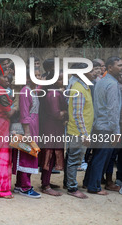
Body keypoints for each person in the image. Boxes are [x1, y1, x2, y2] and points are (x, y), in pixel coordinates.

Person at [84, 56, 122, 195]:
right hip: (106, 127)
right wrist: (116, 131)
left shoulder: (101, 81)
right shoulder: (112, 84)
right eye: (119, 65)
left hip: (98, 124)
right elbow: (113, 110)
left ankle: (88, 182)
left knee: (96, 156)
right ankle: (94, 187)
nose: (121, 68)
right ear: (110, 67)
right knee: (101, 157)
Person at [63, 63, 94, 199]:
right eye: (90, 71)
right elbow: (77, 114)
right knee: (74, 160)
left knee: (72, 158)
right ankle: (72, 187)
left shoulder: (83, 86)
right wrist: (84, 134)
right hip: (78, 132)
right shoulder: (78, 89)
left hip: (79, 131)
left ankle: (68, 183)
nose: (94, 72)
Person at [13, 70, 41, 198]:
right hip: (27, 128)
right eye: (36, 75)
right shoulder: (26, 91)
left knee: (30, 153)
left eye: (40, 76)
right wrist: (27, 133)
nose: (40, 78)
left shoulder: (32, 90)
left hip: (33, 127)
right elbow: (24, 113)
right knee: (26, 156)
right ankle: (25, 187)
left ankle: (20, 185)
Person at [39, 72, 67, 196]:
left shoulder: (53, 92)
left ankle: (46, 181)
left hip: (53, 127)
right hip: (52, 128)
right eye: (60, 79)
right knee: (49, 156)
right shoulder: (54, 94)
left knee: (50, 155)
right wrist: (66, 112)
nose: (63, 81)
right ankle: (46, 185)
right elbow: (57, 114)